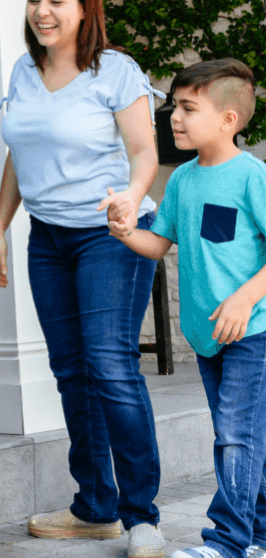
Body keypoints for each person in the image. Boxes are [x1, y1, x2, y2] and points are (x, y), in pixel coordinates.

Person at [0, 0, 164, 558]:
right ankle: (94, 507)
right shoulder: (23, 70)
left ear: (85, 7)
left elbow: (144, 151)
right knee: (71, 373)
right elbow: (20, 151)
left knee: (111, 367)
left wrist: (132, 197)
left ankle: (142, 516)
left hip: (109, 234)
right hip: (49, 239)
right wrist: (0, 226)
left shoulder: (113, 70)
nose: (42, 11)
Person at [108, 59, 266, 558]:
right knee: (241, 435)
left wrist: (244, 298)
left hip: (253, 333)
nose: (173, 117)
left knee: (236, 436)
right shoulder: (181, 182)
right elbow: (160, 244)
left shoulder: (251, 178)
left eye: (187, 108)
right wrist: (123, 230)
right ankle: (258, 535)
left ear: (228, 120)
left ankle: (225, 542)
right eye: (174, 106)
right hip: (207, 334)